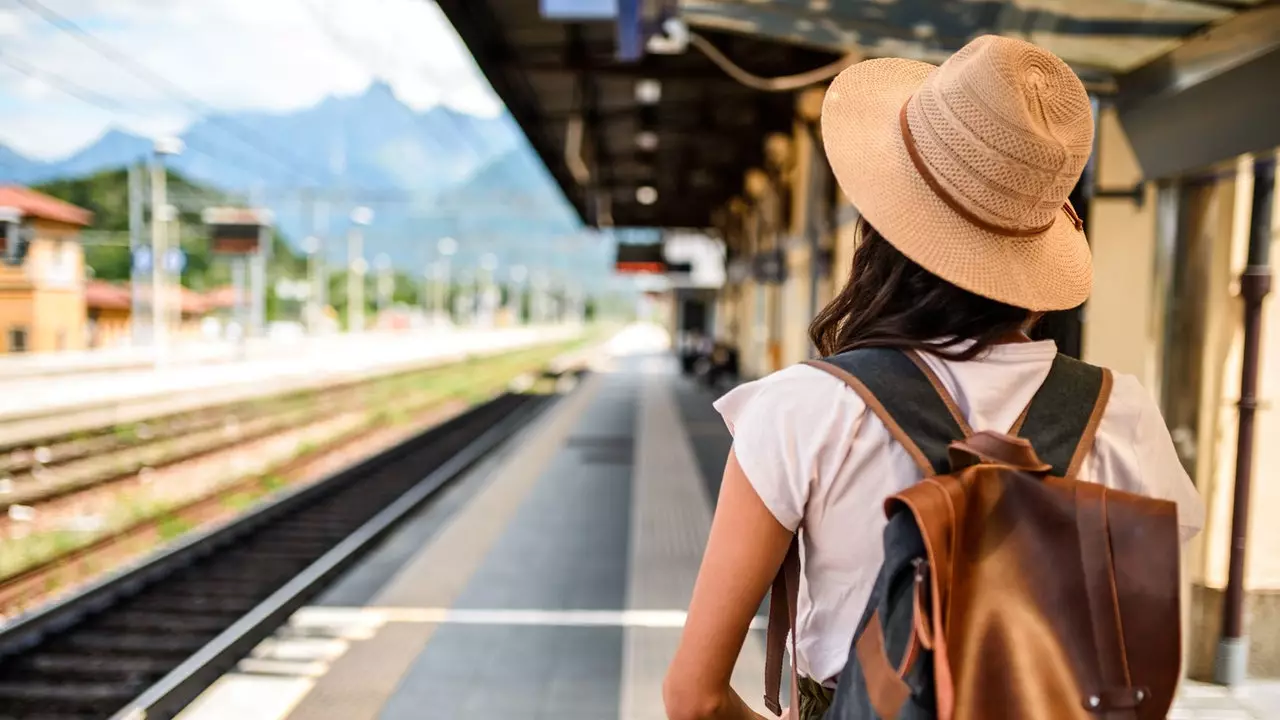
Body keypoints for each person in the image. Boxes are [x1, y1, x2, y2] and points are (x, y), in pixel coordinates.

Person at [663, 35, 1205, 720]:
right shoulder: (1119, 415)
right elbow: (1142, 660)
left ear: (879, 236)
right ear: (1036, 258)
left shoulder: (802, 408)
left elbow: (695, 698)